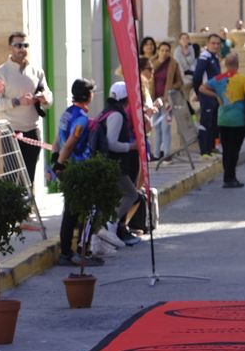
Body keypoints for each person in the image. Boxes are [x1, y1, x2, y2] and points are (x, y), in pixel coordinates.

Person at [0, 31, 50, 181]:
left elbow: (48, 96)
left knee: (29, 177)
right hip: (11, 132)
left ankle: (27, 198)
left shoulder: (37, 71)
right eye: (18, 45)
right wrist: (17, 101)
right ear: (10, 47)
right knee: (11, 176)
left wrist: (44, 99)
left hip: (33, 131)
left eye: (25, 45)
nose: (22, 49)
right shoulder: (0, 73)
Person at [90, 81, 143, 245]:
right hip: (114, 165)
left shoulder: (107, 112)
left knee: (113, 198)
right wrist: (131, 146)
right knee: (131, 194)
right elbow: (111, 143)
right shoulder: (117, 115)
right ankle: (107, 225)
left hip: (107, 163)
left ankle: (105, 231)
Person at [52, 78, 97, 265]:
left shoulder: (67, 112)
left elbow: (58, 138)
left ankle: (66, 253)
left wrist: (55, 157)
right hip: (77, 168)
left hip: (67, 165)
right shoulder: (81, 119)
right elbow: (70, 143)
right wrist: (60, 163)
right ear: (87, 96)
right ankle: (79, 252)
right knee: (87, 210)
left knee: (70, 211)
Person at [201, 52, 245, 188]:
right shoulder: (242, 79)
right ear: (237, 65)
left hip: (223, 119)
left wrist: (216, 95)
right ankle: (231, 177)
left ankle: (227, 177)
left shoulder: (218, 78)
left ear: (225, 64)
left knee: (226, 149)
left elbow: (202, 88)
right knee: (234, 150)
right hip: (238, 120)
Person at [190, 32, 223, 156]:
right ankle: (204, 151)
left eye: (218, 44)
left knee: (214, 123)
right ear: (207, 44)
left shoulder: (215, 57)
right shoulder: (205, 57)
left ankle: (211, 148)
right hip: (206, 95)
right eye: (213, 43)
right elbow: (197, 76)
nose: (216, 46)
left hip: (214, 95)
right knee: (206, 122)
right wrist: (198, 91)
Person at [147, 41, 177, 159]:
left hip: (167, 101)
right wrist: (159, 62)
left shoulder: (173, 64)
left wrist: (170, 89)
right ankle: (156, 154)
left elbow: (180, 82)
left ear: (170, 52)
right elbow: (147, 76)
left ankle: (166, 153)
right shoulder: (152, 63)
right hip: (154, 100)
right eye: (162, 50)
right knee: (157, 128)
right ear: (158, 51)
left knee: (166, 127)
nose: (164, 53)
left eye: (167, 51)